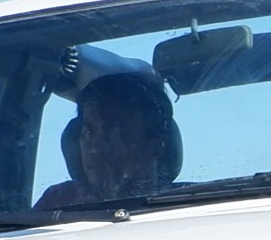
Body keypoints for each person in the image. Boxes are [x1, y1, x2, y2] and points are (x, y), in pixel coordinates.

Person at [36, 71, 178, 207]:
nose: (95, 149)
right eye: (88, 132)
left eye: (113, 133)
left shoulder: (188, 206)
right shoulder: (57, 205)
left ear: (157, 146)